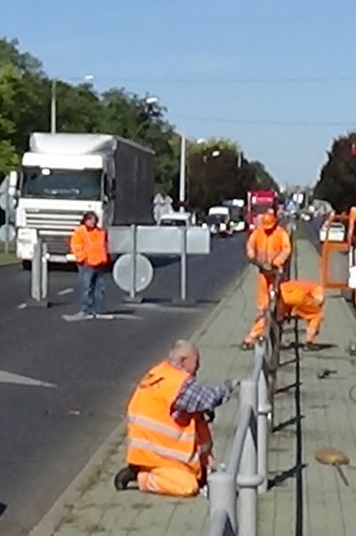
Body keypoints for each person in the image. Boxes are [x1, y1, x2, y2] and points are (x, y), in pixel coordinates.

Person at [114, 340, 231, 496]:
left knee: (197, 416)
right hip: (157, 457)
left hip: (149, 451)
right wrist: (228, 388)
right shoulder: (177, 383)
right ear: (183, 361)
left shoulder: (160, 372)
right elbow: (208, 398)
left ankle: (197, 468)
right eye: (196, 363)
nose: (198, 369)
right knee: (188, 486)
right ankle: (142, 477)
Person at [242, 211, 293, 349]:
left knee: (276, 305)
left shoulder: (281, 233)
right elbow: (250, 245)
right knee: (263, 306)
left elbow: (286, 250)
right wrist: (254, 257)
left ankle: (263, 335)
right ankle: (258, 334)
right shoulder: (258, 232)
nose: (267, 230)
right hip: (264, 273)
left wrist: (276, 262)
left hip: (277, 274)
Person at [70, 211, 114, 320]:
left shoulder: (101, 232)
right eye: (89, 219)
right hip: (87, 264)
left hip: (99, 263)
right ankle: (85, 310)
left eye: (94, 219)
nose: (92, 222)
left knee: (99, 288)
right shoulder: (80, 232)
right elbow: (76, 246)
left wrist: (106, 259)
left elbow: (104, 246)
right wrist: (83, 259)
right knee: (86, 288)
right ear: (85, 220)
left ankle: (98, 310)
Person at [273, 279, 326, 346]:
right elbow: (319, 299)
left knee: (279, 318)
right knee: (317, 314)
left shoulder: (306, 285)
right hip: (297, 296)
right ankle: (309, 342)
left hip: (283, 292)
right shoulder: (318, 288)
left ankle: (276, 341)